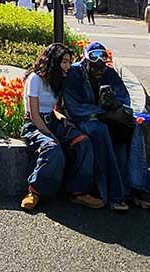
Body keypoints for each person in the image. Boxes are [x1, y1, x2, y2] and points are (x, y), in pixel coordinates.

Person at [62, 42, 150, 212]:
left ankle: (139, 188)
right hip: (84, 118)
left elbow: (124, 99)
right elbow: (74, 106)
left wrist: (116, 106)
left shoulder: (110, 73)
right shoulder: (75, 74)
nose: (99, 64)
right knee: (100, 130)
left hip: (109, 115)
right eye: (94, 59)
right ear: (85, 59)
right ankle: (115, 193)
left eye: (103, 58)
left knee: (134, 128)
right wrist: (102, 113)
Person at [20, 43, 104, 212]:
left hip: (53, 120)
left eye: (69, 62)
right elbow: (34, 114)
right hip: (35, 124)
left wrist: (63, 119)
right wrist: (50, 134)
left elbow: (54, 110)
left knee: (83, 141)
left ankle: (78, 191)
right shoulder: (35, 79)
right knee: (52, 148)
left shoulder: (59, 79)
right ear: (54, 61)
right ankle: (35, 191)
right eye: (64, 62)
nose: (68, 66)